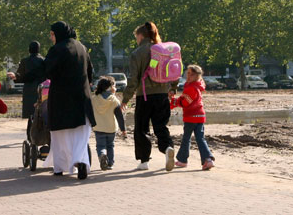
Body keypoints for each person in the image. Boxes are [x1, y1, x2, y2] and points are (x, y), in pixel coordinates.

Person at [42, 21, 96, 180]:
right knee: (80, 134)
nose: (51, 37)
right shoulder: (82, 47)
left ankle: (59, 167)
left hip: (61, 98)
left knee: (60, 135)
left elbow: (48, 71)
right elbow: (90, 71)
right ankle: (80, 161)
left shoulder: (57, 49)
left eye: (52, 34)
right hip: (81, 97)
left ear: (58, 33)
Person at [121, 22, 178, 171]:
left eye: (136, 37)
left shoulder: (137, 53)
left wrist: (125, 99)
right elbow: (174, 69)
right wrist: (173, 88)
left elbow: (133, 80)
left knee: (141, 128)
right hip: (162, 95)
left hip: (144, 96)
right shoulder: (163, 50)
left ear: (141, 36)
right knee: (160, 126)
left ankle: (144, 161)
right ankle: (167, 149)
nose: (136, 40)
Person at [171, 65, 215, 170]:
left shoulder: (191, 88)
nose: (188, 75)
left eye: (192, 74)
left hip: (191, 116)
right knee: (200, 138)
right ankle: (206, 159)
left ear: (197, 76)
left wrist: (173, 101)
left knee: (187, 138)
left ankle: (184, 160)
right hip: (200, 116)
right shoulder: (197, 86)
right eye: (188, 73)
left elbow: (185, 102)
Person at [7, 41, 46, 137]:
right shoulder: (43, 61)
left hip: (29, 90)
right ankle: (42, 134)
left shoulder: (25, 61)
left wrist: (14, 76)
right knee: (41, 112)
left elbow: (20, 76)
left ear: (29, 49)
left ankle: (30, 135)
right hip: (41, 89)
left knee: (31, 115)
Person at [91, 76, 126, 170]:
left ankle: (102, 155)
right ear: (111, 87)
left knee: (100, 146)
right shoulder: (114, 100)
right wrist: (123, 129)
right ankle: (110, 163)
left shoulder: (94, 99)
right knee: (110, 146)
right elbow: (120, 117)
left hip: (98, 128)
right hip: (111, 128)